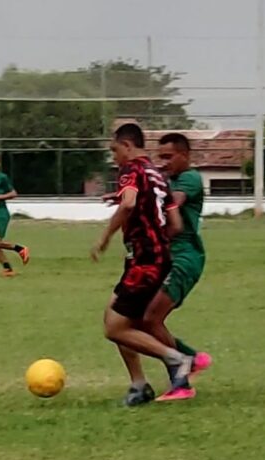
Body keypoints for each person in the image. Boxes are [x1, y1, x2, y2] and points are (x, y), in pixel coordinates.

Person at [91, 123, 192, 406]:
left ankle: (177, 361)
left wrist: (105, 237)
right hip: (152, 258)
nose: (114, 158)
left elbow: (128, 204)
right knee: (116, 317)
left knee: (114, 328)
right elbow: (176, 223)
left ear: (127, 146)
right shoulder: (158, 176)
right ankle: (139, 384)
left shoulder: (131, 170)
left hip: (145, 261)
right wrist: (156, 242)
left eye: (114, 151)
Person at [110, 133, 212, 404]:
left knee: (149, 318)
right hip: (163, 255)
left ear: (185, 156)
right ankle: (186, 360)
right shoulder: (162, 179)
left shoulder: (189, 178)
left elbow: (172, 202)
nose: (163, 162)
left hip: (183, 258)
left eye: (169, 157)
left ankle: (182, 375)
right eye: (161, 157)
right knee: (132, 318)